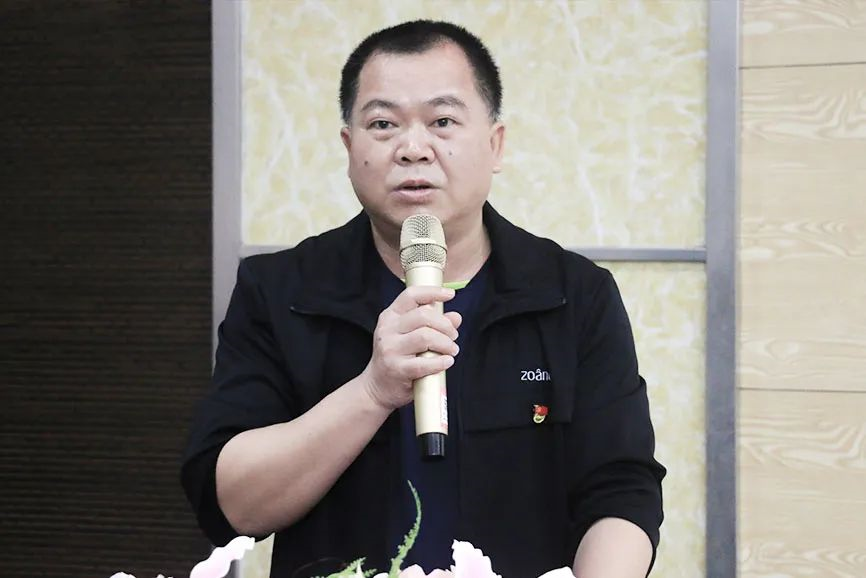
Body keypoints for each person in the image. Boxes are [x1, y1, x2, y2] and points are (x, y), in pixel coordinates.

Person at [181, 19, 665, 578]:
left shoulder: (573, 294)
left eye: (442, 121)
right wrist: (371, 391)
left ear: (495, 144)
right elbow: (232, 505)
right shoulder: (280, 290)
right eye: (383, 124)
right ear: (349, 147)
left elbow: (621, 490)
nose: (413, 149)